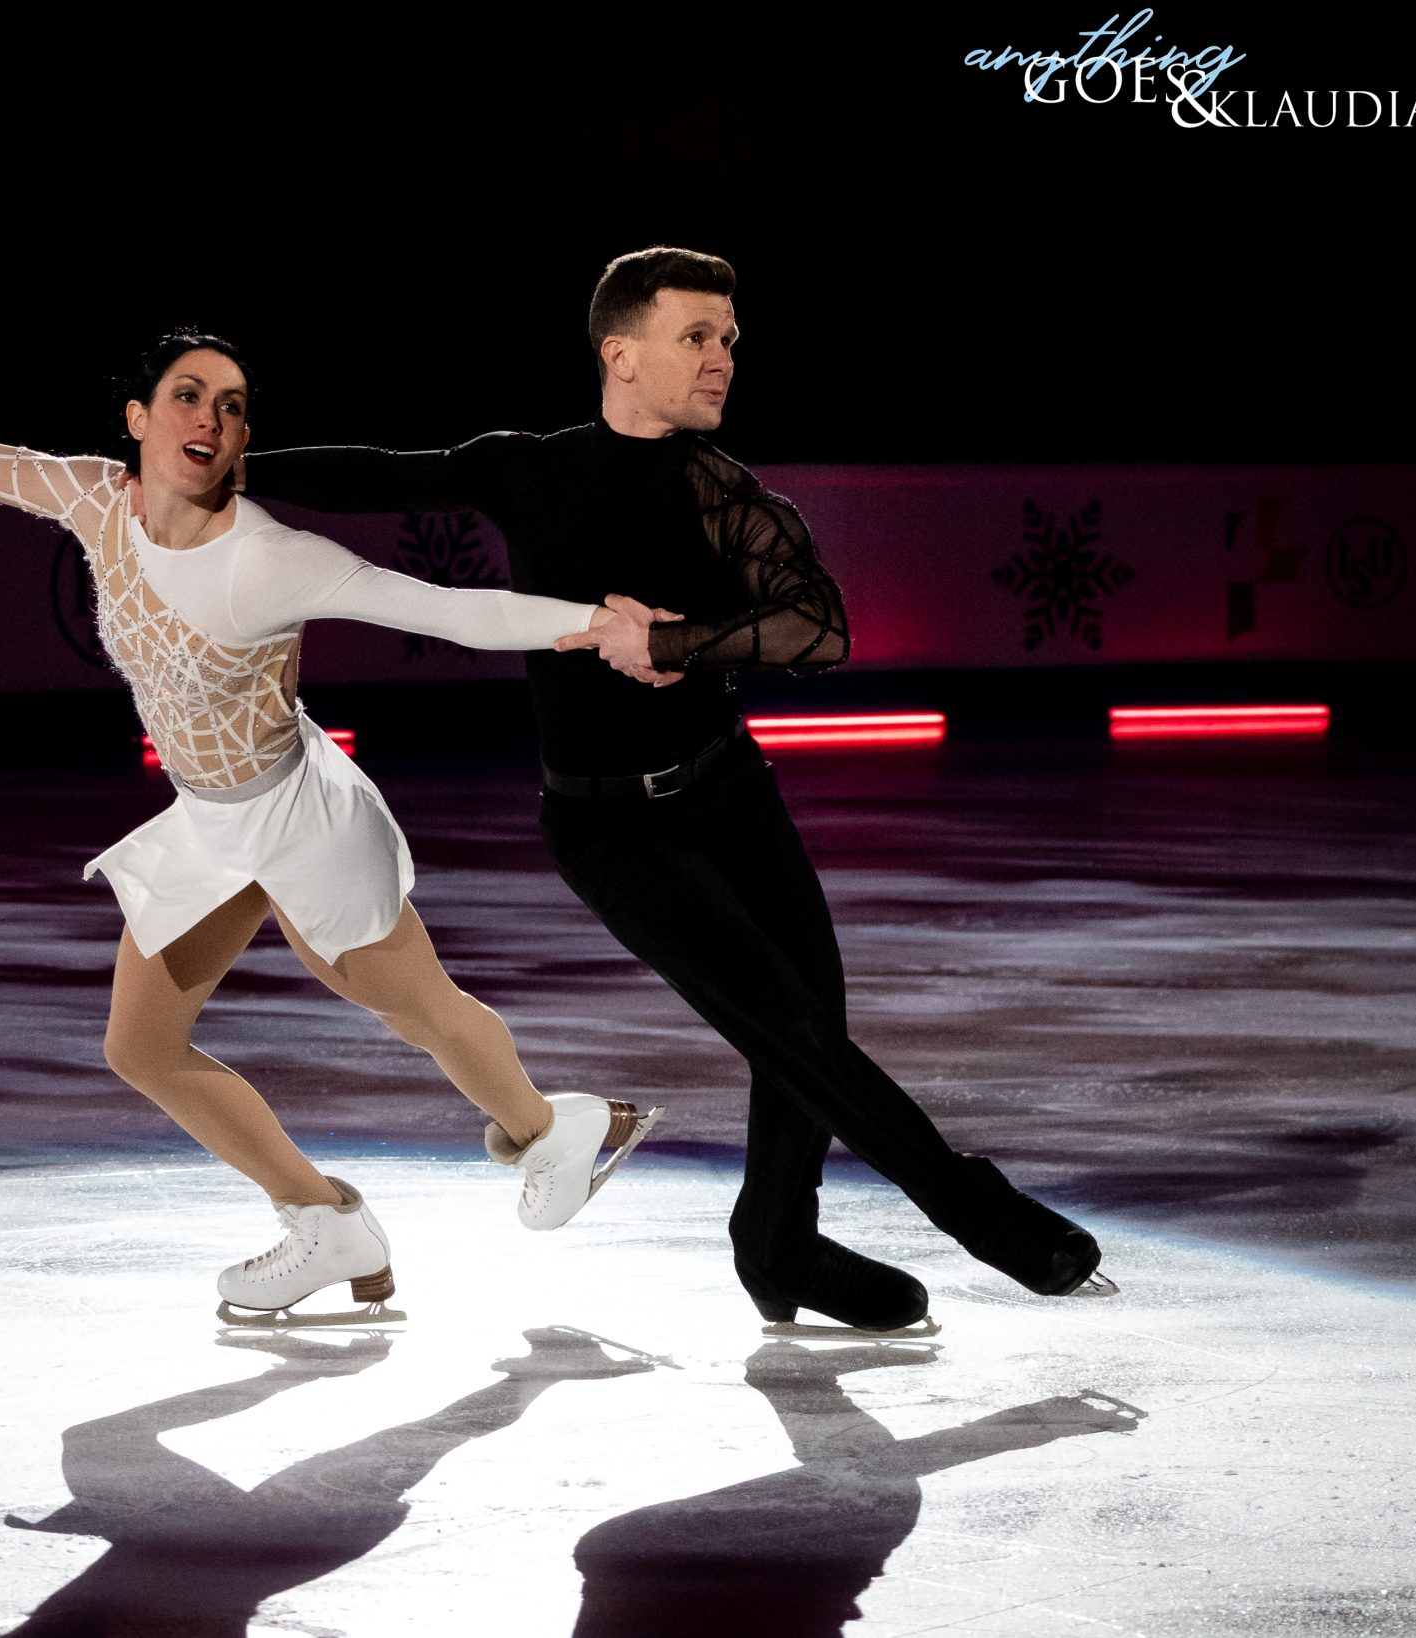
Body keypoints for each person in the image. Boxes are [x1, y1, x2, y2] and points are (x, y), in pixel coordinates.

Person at [245, 249, 1114, 1331]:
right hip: (608, 827)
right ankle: (982, 1216)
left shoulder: (719, 490)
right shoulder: (529, 469)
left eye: (729, 340)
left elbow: (819, 627)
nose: (721, 359)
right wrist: (214, 468)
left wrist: (668, 642)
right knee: (790, 1032)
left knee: (805, 1027)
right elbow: (375, 476)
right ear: (619, 352)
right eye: (695, 336)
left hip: (728, 794)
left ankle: (777, 1242)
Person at [0, 331, 663, 1321]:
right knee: (141, 1046)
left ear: (243, 437)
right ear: (136, 417)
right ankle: (325, 1221)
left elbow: (445, 610)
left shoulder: (269, 560)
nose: (210, 417)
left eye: (232, 404)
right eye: (187, 395)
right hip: (211, 822)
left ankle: (551, 1132)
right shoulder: (95, 500)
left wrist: (597, 623)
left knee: (413, 1006)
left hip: (300, 819)